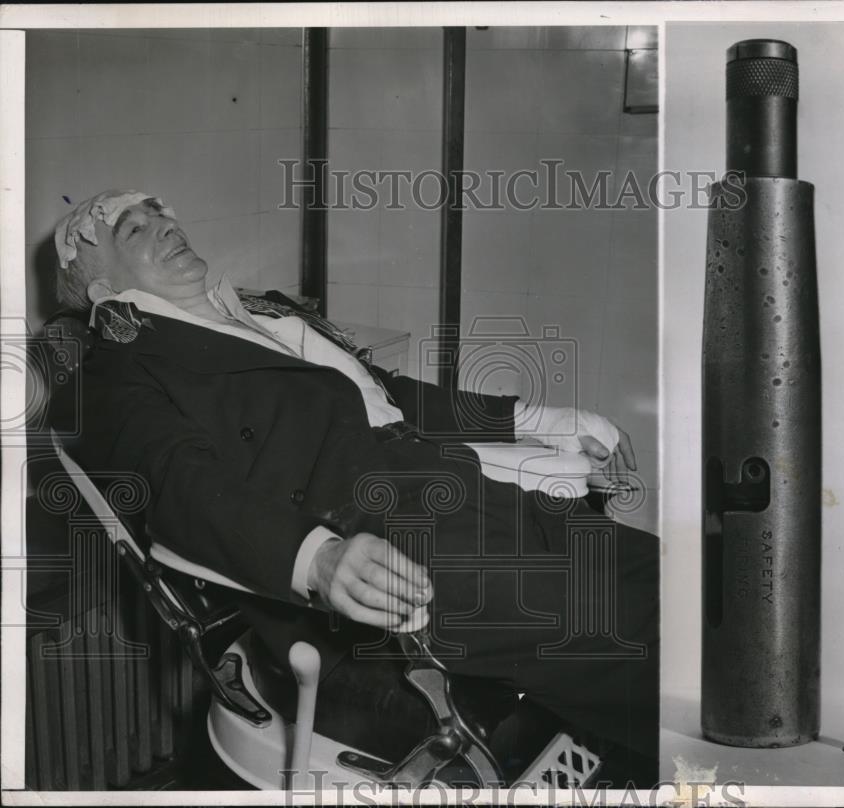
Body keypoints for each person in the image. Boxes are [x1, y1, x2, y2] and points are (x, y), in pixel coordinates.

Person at [50, 189, 660, 782]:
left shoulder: (261, 311)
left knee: (664, 578)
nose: (163, 223)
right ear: (105, 289)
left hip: (450, 485)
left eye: (161, 212)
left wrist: (542, 421)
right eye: (133, 228)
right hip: (383, 548)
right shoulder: (114, 373)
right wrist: (317, 559)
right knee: (639, 632)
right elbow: (179, 484)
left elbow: (388, 394)